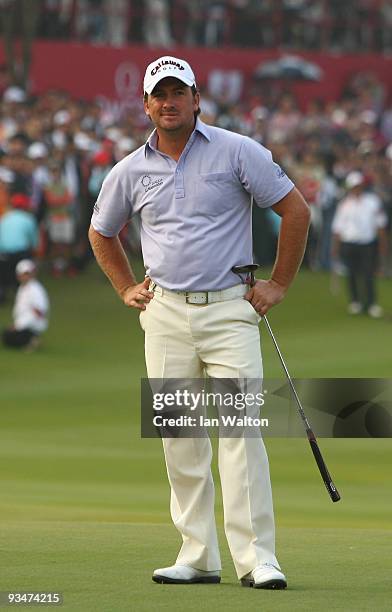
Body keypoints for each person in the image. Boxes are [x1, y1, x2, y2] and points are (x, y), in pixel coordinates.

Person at [89, 56, 310, 589]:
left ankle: (257, 558)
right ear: (145, 105)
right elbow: (102, 231)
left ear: (196, 100)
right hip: (163, 313)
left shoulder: (237, 151)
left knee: (241, 432)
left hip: (230, 309)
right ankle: (197, 555)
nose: (168, 102)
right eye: (158, 94)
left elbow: (296, 210)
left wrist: (278, 283)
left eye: (178, 93)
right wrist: (125, 286)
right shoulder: (129, 170)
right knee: (179, 436)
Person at [332, 171, 388, 318]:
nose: (356, 189)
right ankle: (355, 301)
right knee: (351, 274)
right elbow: (337, 228)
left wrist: (382, 244)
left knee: (368, 273)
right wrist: (335, 248)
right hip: (349, 243)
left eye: (358, 186)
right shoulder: (344, 204)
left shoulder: (372, 201)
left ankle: (371, 304)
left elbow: (380, 225)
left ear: (362, 186)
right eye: (353, 186)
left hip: (367, 243)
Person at [2, 259, 49, 350]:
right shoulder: (23, 288)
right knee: (6, 334)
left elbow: (38, 312)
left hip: (31, 326)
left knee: (8, 337)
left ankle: (31, 339)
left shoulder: (35, 290)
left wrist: (19, 325)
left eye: (27, 274)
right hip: (23, 324)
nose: (24, 276)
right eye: (23, 274)